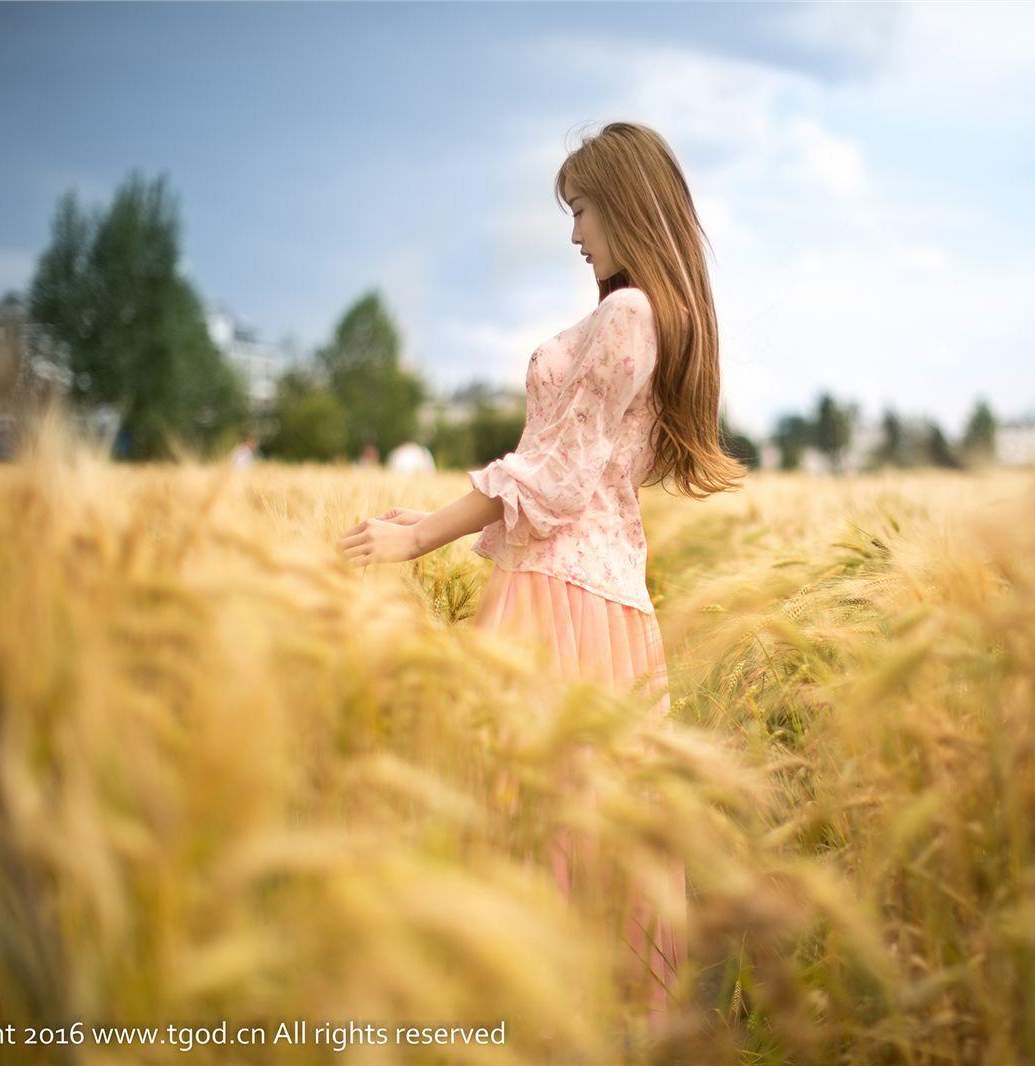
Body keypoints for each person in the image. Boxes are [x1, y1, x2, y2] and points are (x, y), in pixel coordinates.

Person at [335, 121, 745, 1033]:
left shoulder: (631, 316)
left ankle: (531, 1018)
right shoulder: (639, 316)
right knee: (572, 813)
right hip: (586, 596)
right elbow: (552, 466)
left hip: (563, 599)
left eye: (584, 209)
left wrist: (425, 541)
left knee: (535, 808)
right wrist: (425, 521)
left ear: (628, 207)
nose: (573, 235)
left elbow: (552, 483)